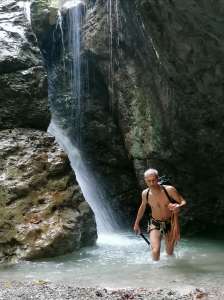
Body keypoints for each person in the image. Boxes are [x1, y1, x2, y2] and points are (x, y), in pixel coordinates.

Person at [133, 168, 186, 261]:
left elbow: (183, 201)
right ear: (145, 181)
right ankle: (156, 272)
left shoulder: (169, 190)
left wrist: (178, 206)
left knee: (169, 253)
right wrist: (136, 223)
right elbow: (142, 207)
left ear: (157, 179)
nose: (152, 183)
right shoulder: (145, 193)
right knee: (155, 250)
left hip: (170, 223)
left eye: (154, 180)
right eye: (149, 181)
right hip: (155, 223)